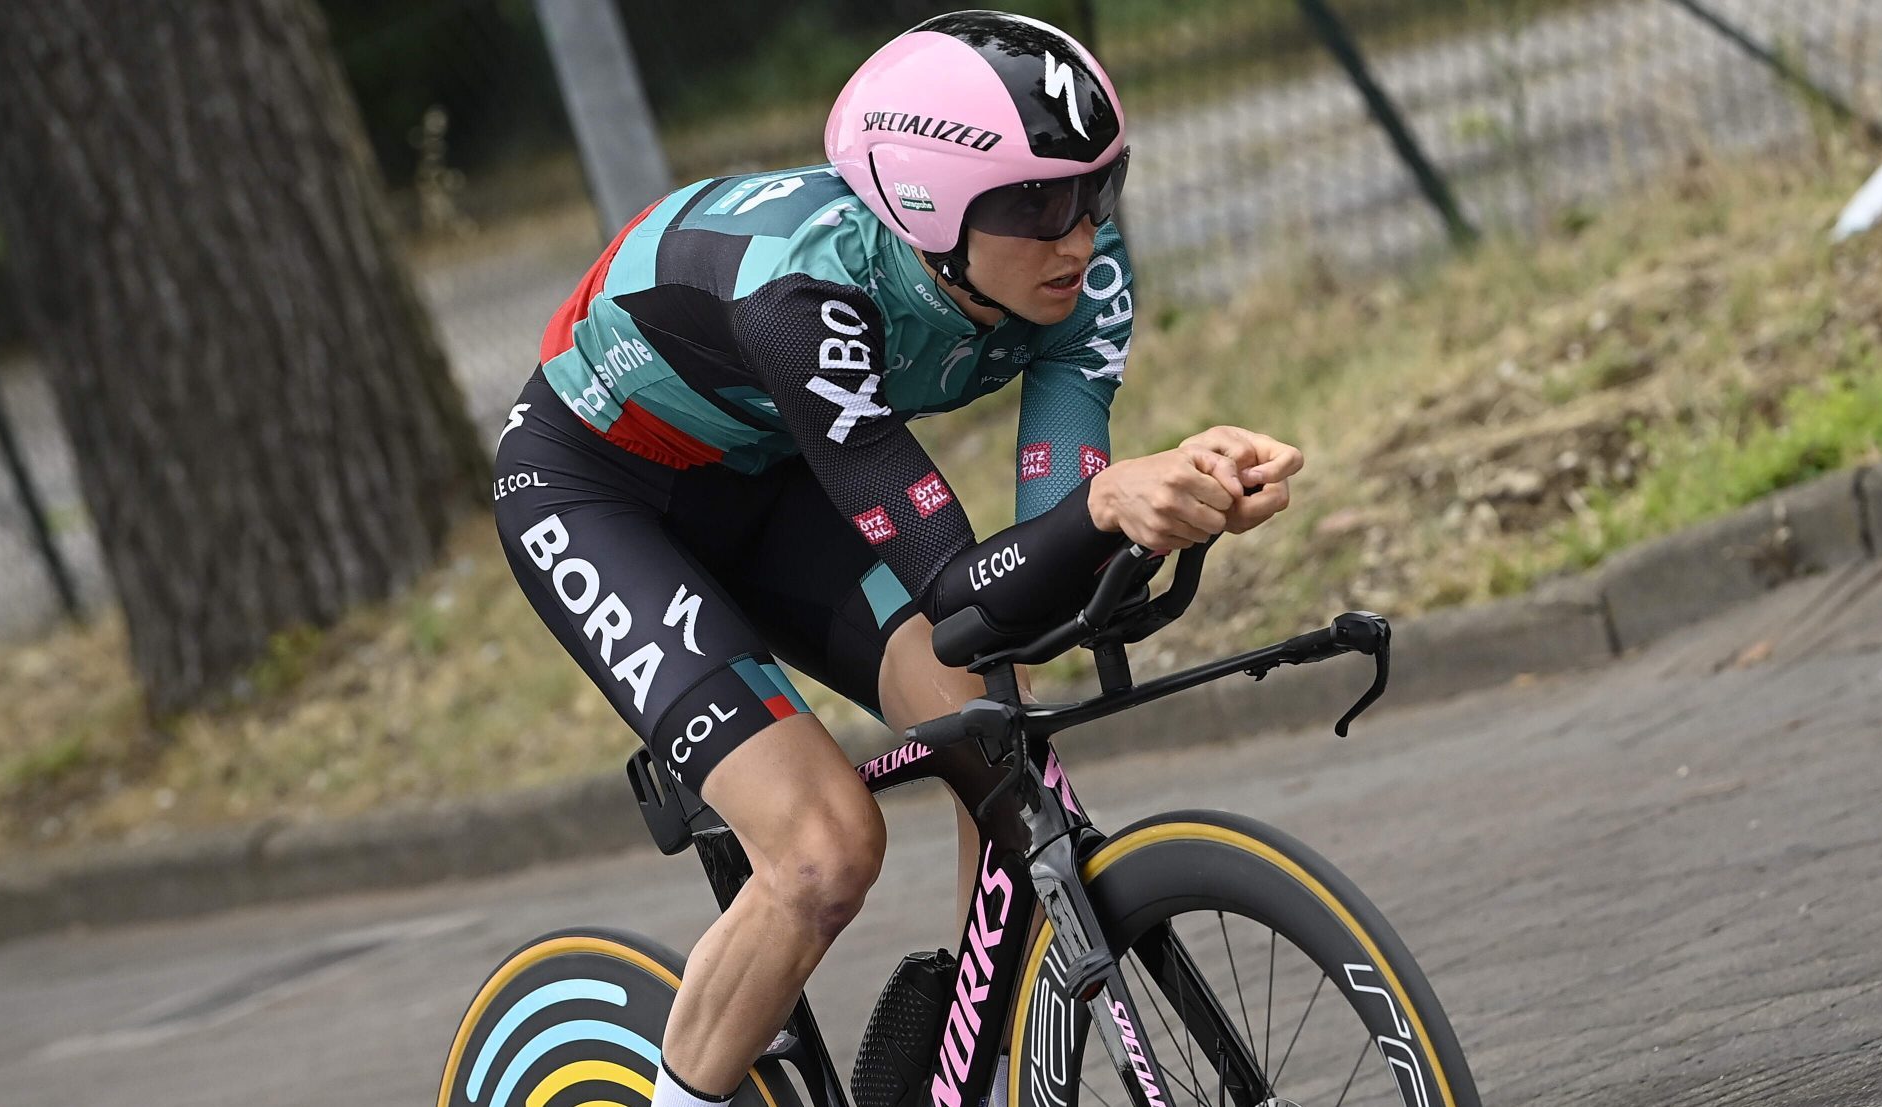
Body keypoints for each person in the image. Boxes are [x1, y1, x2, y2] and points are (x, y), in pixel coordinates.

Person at [492, 12, 1302, 1107]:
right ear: (926, 209)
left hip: (772, 473)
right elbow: (953, 581)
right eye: (1036, 205)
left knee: (992, 727)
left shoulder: (1083, 275)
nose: (1077, 237)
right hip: (596, 491)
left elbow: (1033, 580)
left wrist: (1167, 508)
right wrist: (1106, 506)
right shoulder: (802, 300)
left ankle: (974, 1072)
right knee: (823, 852)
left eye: (1096, 190)